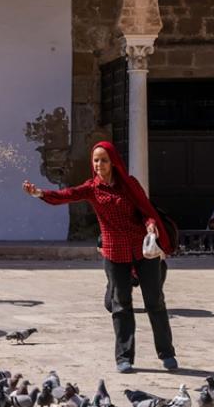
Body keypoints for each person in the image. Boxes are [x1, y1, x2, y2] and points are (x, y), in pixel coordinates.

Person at [23, 141, 179, 373]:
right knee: (120, 305)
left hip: (142, 251)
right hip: (115, 253)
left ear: (113, 162)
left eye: (103, 160)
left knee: (154, 302)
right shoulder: (92, 188)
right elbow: (66, 195)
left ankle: (166, 353)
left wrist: (151, 225)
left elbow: (146, 212)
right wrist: (40, 194)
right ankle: (124, 357)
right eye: (95, 160)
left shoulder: (129, 184)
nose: (98, 165)